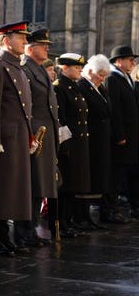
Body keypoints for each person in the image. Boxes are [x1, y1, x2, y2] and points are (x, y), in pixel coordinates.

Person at [0, 21, 36, 256]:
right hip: (5, 139)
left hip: (18, 136)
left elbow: (25, 108)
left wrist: (30, 135)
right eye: (20, 37)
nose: (25, 41)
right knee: (3, 190)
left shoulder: (18, 67)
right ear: (6, 40)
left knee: (13, 190)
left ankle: (5, 237)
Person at [16, 28, 60, 246]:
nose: (48, 48)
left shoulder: (40, 70)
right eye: (44, 45)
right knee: (31, 184)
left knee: (40, 184)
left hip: (46, 135)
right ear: (31, 48)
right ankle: (24, 231)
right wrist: (31, 133)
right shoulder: (26, 69)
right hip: (35, 134)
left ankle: (31, 229)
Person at [102, 45, 139, 223]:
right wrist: (119, 134)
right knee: (115, 174)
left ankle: (128, 207)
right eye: (129, 59)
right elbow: (114, 108)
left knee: (128, 173)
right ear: (118, 61)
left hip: (131, 136)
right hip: (121, 137)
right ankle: (109, 209)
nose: (133, 62)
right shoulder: (112, 78)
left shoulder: (126, 78)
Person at [54, 53, 89, 237]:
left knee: (73, 185)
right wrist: (64, 145)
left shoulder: (73, 87)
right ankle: (60, 223)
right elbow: (61, 119)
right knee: (64, 186)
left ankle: (67, 221)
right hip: (68, 144)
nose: (80, 70)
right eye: (76, 67)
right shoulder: (60, 87)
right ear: (65, 68)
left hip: (78, 143)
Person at [76, 54, 113, 229]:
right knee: (87, 178)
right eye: (100, 75)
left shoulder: (99, 88)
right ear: (90, 71)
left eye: (104, 76)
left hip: (100, 139)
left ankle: (88, 216)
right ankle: (82, 216)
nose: (102, 79)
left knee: (96, 177)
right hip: (89, 139)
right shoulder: (82, 86)